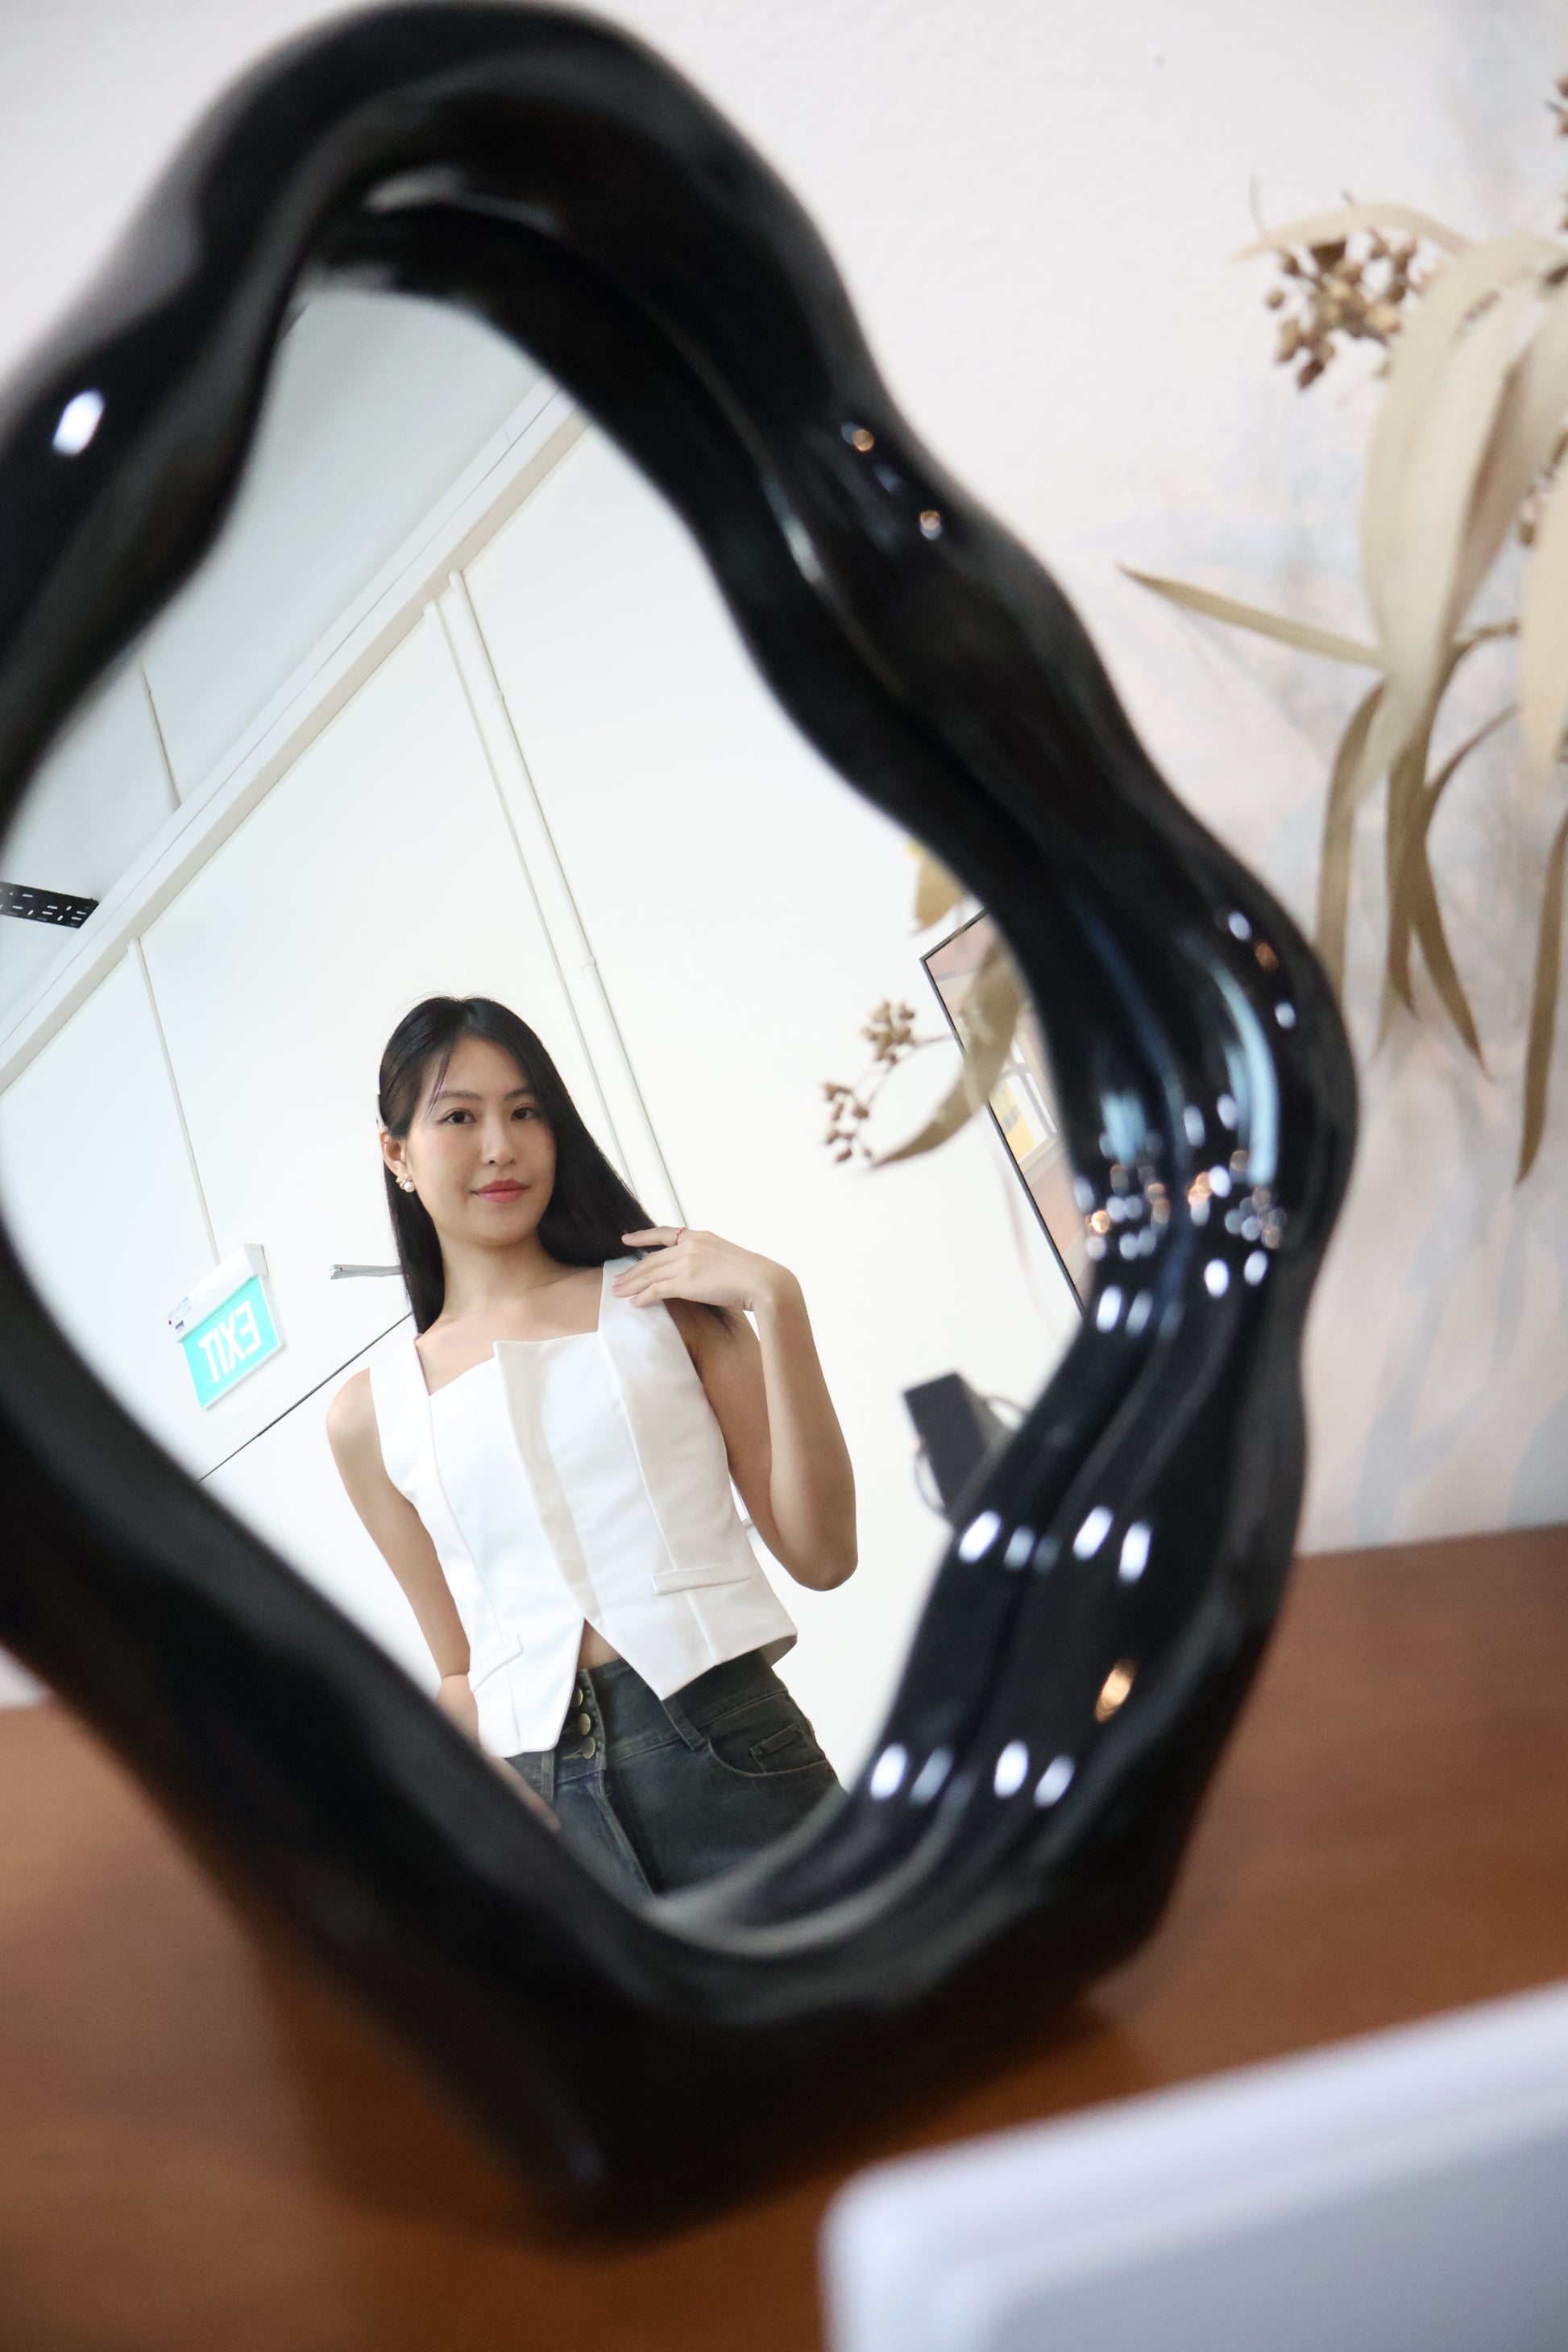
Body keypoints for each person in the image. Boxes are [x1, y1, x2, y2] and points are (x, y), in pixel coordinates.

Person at [327, 993, 856, 1900]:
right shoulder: (369, 1414)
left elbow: (823, 1555)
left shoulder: (665, 1303)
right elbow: (458, 1667)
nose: (501, 1146)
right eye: (459, 1117)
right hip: (545, 1815)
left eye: (525, 1111)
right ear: (397, 1153)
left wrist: (779, 1303)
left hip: (729, 1747)